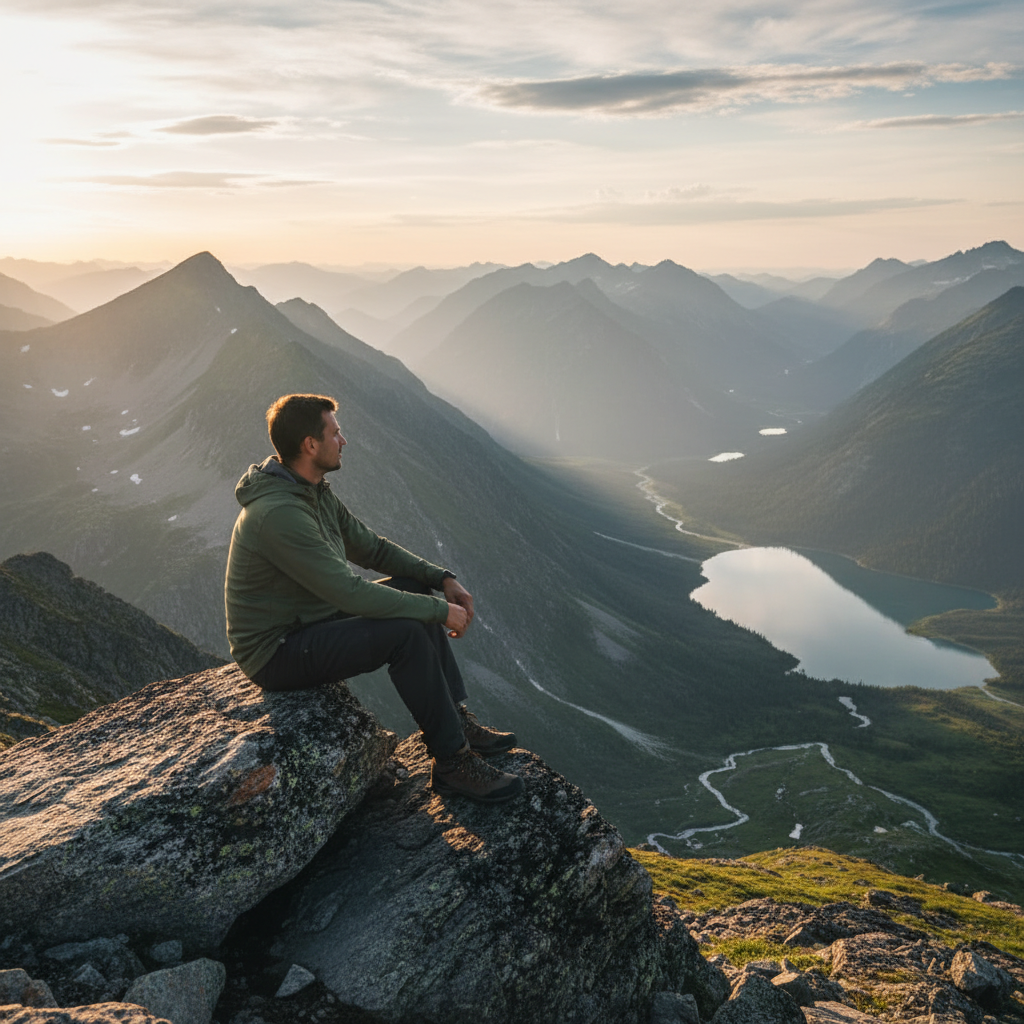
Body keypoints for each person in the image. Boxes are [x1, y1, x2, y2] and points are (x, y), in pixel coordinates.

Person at [224, 393, 524, 804]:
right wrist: (440, 611)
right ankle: (453, 763)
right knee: (405, 633)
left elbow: (372, 549)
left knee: (413, 591)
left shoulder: (310, 491)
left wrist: (440, 579)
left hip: (308, 620)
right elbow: (350, 593)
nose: (343, 440)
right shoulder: (280, 514)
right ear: (310, 445)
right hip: (276, 650)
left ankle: (456, 722)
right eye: (335, 432)